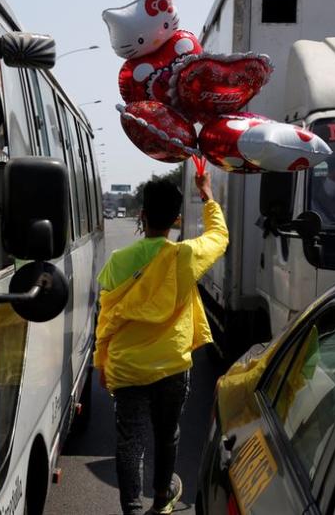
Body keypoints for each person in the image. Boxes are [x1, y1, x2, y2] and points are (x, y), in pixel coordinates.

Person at [95, 174, 229, 515]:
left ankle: (132, 510)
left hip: (127, 368)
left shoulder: (117, 262)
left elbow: (105, 318)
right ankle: (161, 501)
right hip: (172, 365)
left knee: (130, 442)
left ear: (142, 215)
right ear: (177, 220)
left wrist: (101, 362)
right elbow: (218, 237)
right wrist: (208, 196)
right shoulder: (184, 257)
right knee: (167, 434)